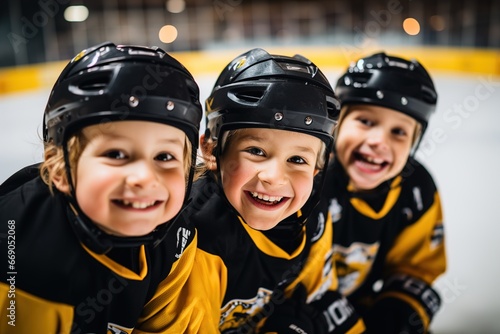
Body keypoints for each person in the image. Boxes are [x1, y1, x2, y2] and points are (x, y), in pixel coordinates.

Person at [0, 42, 204, 333]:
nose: (144, 178)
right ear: (60, 169)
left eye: (164, 157)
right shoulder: (20, 255)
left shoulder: (177, 238)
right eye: (116, 154)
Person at [183, 48, 365, 333]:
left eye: (298, 159)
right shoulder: (196, 234)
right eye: (256, 151)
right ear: (211, 150)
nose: (274, 178)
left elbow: (315, 299)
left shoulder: (314, 217)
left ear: (317, 168)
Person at [312, 52, 446, 333]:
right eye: (366, 121)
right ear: (337, 123)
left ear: (414, 143)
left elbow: (415, 268)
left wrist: (396, 314)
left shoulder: (416, 189)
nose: (378, 141)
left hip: (360, 304)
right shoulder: (309, 178)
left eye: (398, 131)